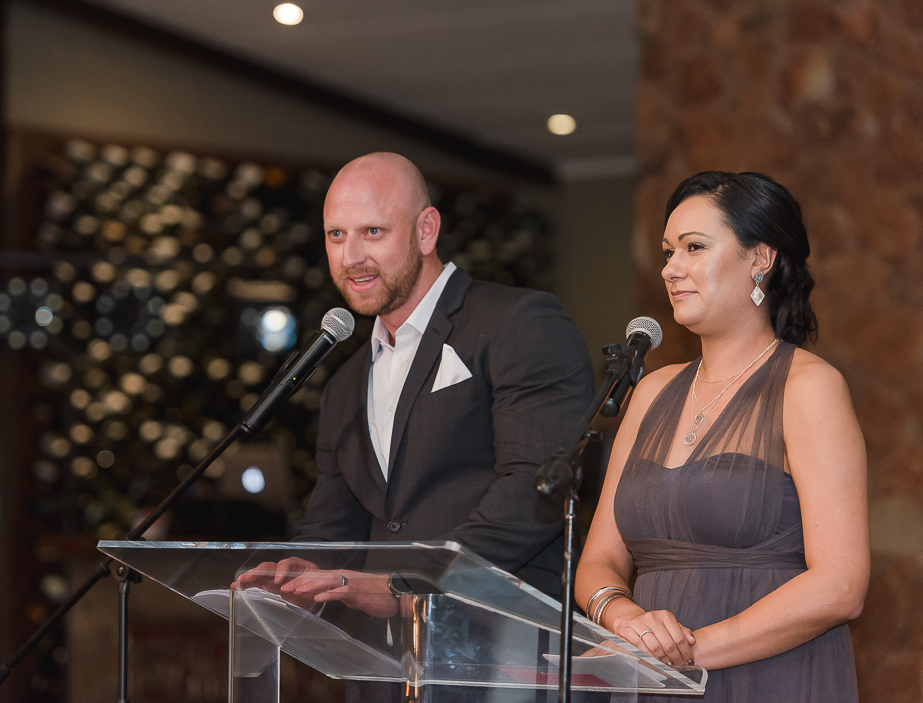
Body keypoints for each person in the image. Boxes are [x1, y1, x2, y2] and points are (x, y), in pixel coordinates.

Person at [239, 152, 593, 614]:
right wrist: (301, 570)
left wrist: (407, 585)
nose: (351, 257)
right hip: (382, 652)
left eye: (373, 232)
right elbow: (334, 523)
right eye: (336, 235)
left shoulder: (518, 321)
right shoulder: (344, 384)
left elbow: (535, 490)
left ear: (426, 230)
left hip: (502, 635)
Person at [575, 171, 869, 702]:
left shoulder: (808, 388)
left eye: (694, 247)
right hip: (650, 675)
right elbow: (599, 561)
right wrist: (624, 619)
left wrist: (685, 653)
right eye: (668, 252)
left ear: (761, 258)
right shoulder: (651, 391)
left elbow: (841, 585)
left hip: (766, 676)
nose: (671, 268)